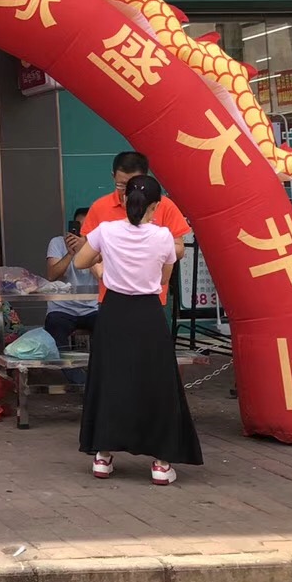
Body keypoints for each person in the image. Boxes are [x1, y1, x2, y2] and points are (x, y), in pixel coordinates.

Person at [73, 175, 203, 485]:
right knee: (156, 383)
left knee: (110, 378)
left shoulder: (106, 230)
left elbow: (80, 262)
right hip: (147, 313)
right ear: (155, 206)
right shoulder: (163, 237)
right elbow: (163, 278)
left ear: (124, 199)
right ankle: (160, 463)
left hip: (114, 311)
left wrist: (103, 269)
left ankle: (102, 456)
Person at [80, 151, 190, 304]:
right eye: (122, 185)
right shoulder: (100, 207)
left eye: (134, 185)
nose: (128, 192)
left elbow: (179, 249)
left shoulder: (164, 206)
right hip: (111, 296)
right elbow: (87, 252)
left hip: (151, 296)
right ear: (113, 176)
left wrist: (147, 246)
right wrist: (100, 271)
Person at [44, 206, 99, 348]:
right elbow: (52, 275)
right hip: (62, 308)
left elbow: (101, 276)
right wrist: (70, 254)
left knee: (109, 331)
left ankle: (99, 363)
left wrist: (85, 251)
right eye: (79, 227)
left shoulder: (99, 245)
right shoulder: (57, 242)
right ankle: (65, 363)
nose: (82, 232)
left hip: (92, 309)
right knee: (56, 334)